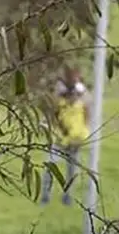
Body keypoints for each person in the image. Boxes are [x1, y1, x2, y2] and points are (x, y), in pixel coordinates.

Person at [40, 66, 89, 206]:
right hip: (58, 139)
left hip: (75, 140)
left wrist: (82, 137)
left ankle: (67, 197)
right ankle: (45, 196)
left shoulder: (81, 99)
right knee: (50, 167)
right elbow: (52, 114)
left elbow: (86, 119)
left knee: (71, 171)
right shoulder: (59, 97)